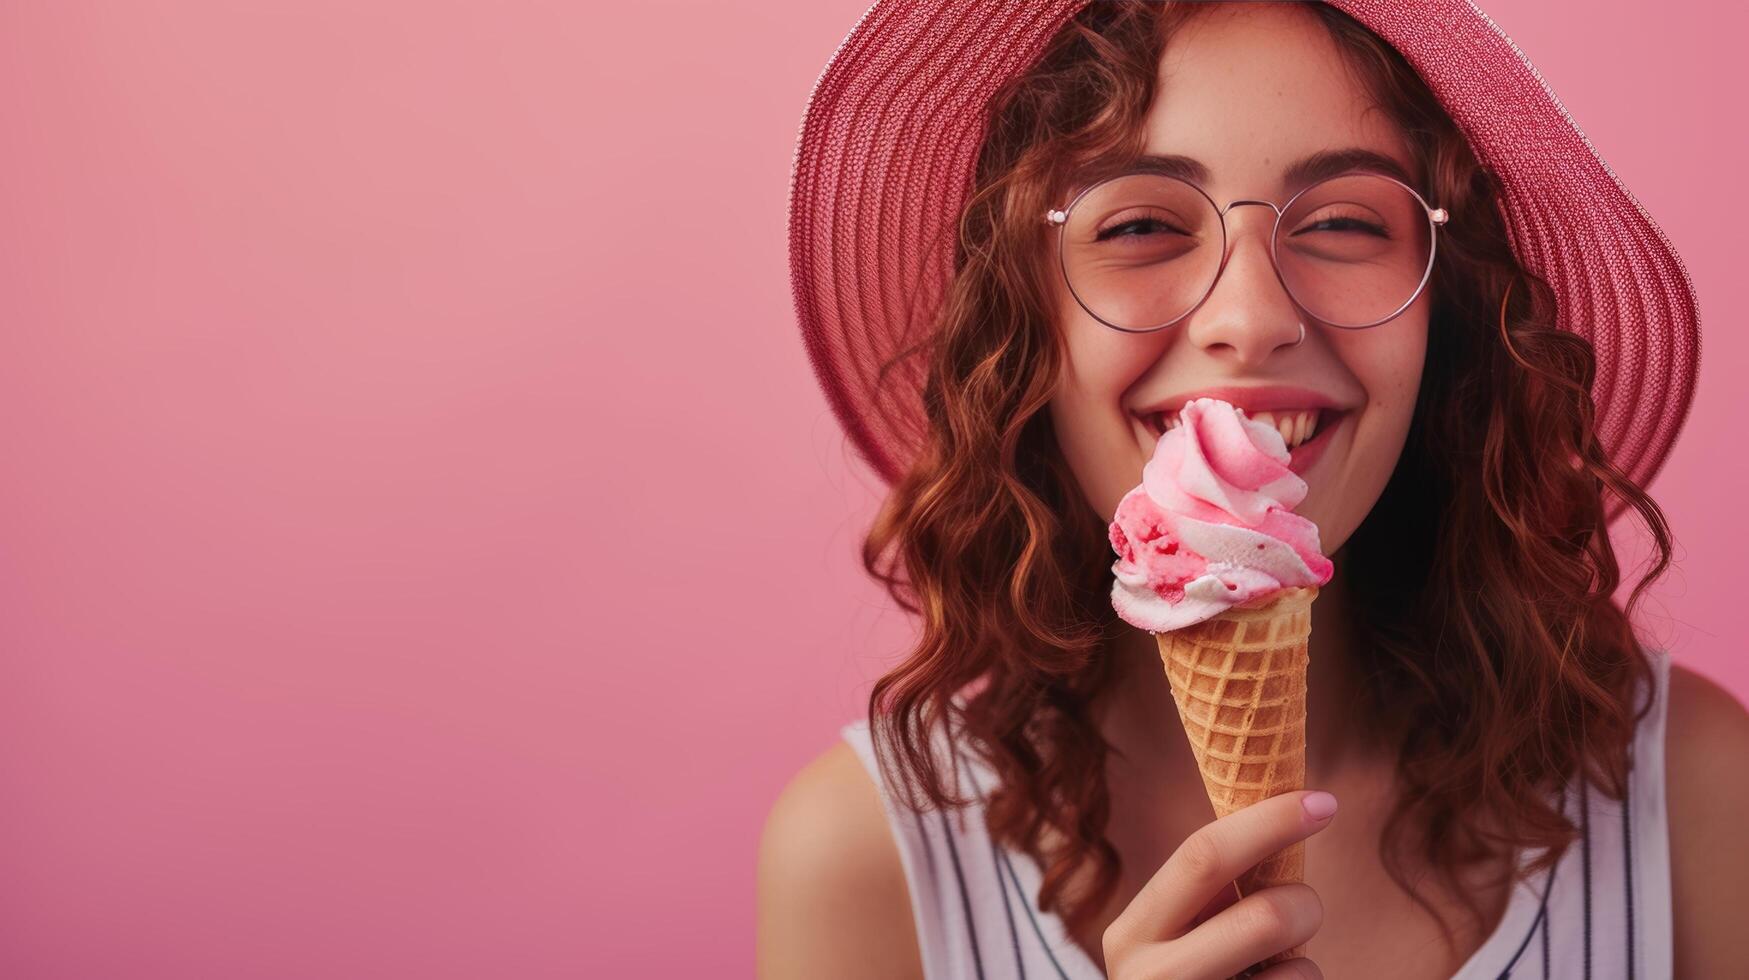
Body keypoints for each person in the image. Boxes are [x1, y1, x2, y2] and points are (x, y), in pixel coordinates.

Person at [760, 2, 1741, 978]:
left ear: (1451, 312)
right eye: (1140, 221)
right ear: (1023, 327)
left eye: (1348, 221)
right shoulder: (864, 858)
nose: (1252, 316)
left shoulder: (1693, 791)